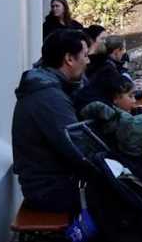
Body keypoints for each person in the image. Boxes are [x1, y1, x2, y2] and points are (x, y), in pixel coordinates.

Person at [12, 29, 89, 212]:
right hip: (49, 190)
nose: (88, 61)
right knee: (120, 200)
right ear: (69, 59)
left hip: (55, 181)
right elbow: (79, 148)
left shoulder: (53, 87)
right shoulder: (48, 96)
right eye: (85, 55)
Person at [78, 73, 142, 158]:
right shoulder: (114, 120)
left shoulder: (110, 118)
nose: (134, 100)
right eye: (130, 96)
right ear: (115, 98)